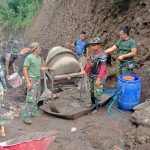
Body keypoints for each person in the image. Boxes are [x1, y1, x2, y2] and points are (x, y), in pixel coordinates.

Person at [23, 42, 53, 124]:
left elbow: (40, 68)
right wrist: (28, 82)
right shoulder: (29, 58)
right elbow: (25, 69)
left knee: (36, 97)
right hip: (31, 80)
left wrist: (48, 68)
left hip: (37, 79)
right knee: (30, 99)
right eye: (39, 48)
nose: (40, 49)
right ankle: (26, 116)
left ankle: (33, 112)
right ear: (35, 49)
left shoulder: (39, 57)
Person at [83, 37, 107, 110]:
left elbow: (103, 68)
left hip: (98, 76)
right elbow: (90, 64)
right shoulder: (93, 54)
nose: (92, 47)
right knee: (91, 91)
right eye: (91, 45)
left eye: (94, 45)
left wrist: (99, 79)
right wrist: (85, 71)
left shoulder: (102, 55)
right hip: (92, 75)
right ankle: (93, 104)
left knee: (97, 93)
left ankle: (97, 108)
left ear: (99, 45)